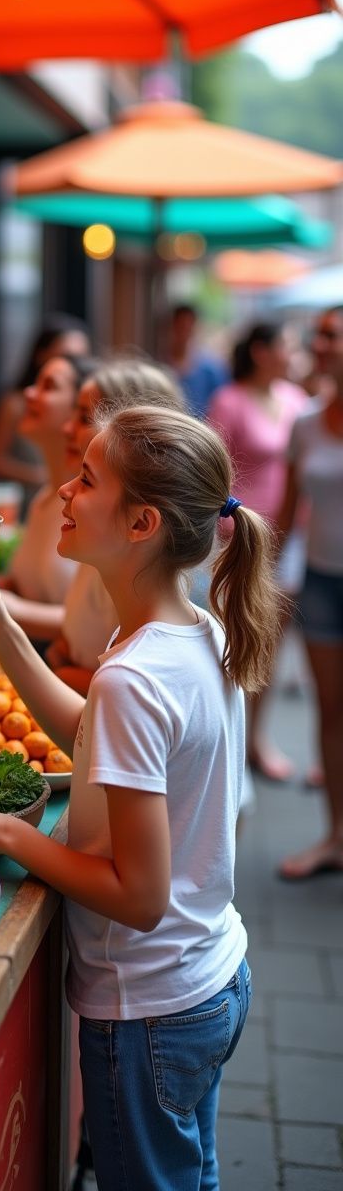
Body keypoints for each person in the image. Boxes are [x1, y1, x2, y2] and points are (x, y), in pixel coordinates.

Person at [0, 403, 285, 1190]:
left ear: (142, 522)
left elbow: (138, 896)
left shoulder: (134, 676)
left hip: (147, 1012)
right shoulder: (189, 633)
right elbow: (95, 736)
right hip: (210, 976)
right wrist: (3, 632)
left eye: (87, 479)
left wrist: (11, 837)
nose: (65, 495)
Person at [207, 322, 309, 782]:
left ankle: (256, 739)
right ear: (263, 351)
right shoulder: (229, 400)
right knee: (233, 640)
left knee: (270, 643)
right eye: (288, 343)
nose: (295, 352)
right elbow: (212, 468)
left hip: (289, 538)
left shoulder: (296, 400)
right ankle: (226, 738)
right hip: (238, 541)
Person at [47, 359, 185, 693]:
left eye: (83, 417)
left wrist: (65, 673)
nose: (68, 429)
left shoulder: (132, 565)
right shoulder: (100, 544)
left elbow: (118, 683)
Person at [276, 305, 343, 880]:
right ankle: (335, 837)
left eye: (330, 335)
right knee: (330, 711)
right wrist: (262, 571)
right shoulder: (307, 421)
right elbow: (289, 504)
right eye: (318, 335)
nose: (319, 345)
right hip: (321, 579)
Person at [0, 349, 95, 641]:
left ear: (80, 409)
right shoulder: (44, 497)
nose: (29, 393)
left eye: (48, 386)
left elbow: (103, 623)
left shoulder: (92, 508)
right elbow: (29, 584)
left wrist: (10, 609)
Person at [0, 314, 91, 491]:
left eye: (82, 358)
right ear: (41, 355)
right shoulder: (15, 403)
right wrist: (43, 477)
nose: (75, 365)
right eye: (66, 356)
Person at [163, 302, 229, 417]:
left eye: (188, 327)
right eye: (180, 326)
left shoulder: (211, 369)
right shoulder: (160, 365)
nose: (184, 332)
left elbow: (221, 405)